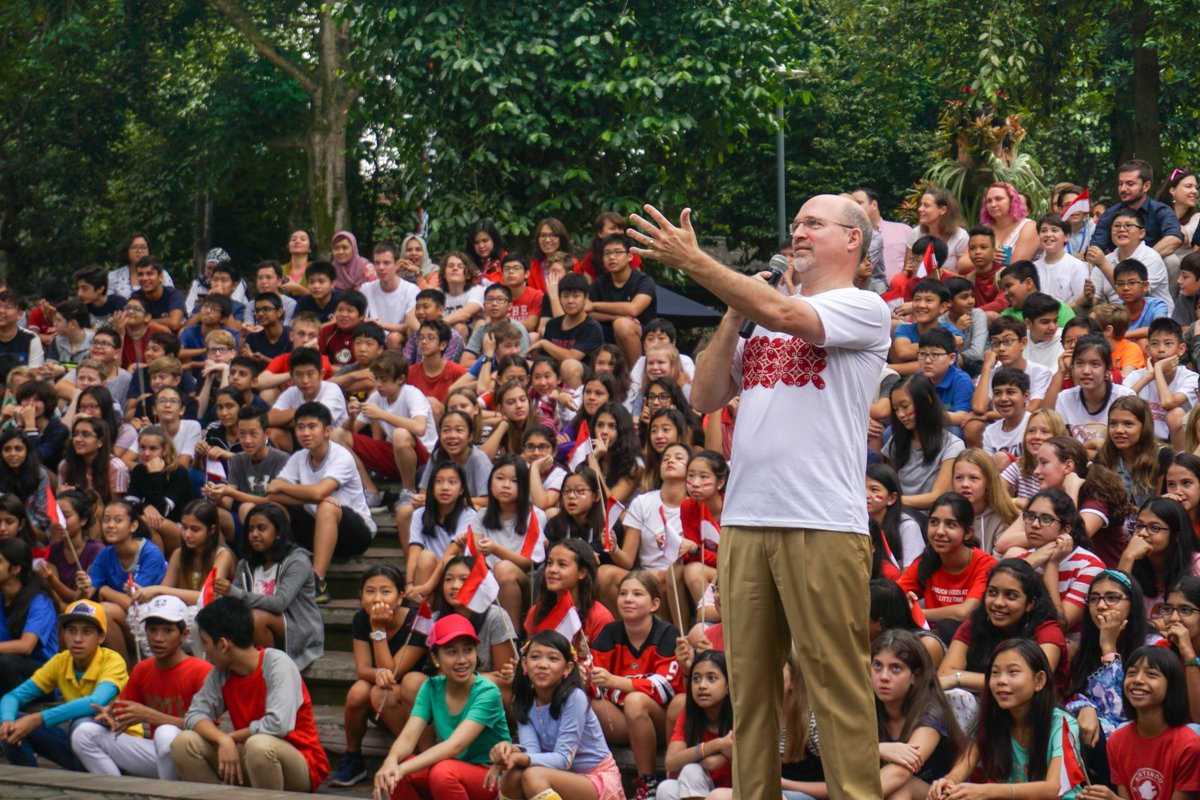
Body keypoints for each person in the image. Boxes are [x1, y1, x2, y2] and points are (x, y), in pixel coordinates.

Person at [629, 195, 888, 800]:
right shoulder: (761, 315)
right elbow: (704, 396)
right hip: (746, 520)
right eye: (795, 223)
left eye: (814, 223)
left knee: (837, 689)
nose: (799, 232)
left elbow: (784, 311)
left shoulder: (863, 306)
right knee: (749, 693)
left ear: (853, 239)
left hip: (823, 522)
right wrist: (731, 313)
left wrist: (695, 262)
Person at [171, 595, 329, 791]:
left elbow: (277, 725)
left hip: (299, 762)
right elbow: (195, 714)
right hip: (249, 754)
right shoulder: (222, 672)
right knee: (184, 743)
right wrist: (223, 740)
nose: (204, 650)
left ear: (223, 644)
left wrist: (231, 738)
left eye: (205, 643)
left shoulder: (277, 663)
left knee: (258, 746)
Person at [70, 595, 211, 781]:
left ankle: (167, 793)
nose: (158, 638)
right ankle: (116, 791)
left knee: (165, 733)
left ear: (184, 635)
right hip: (159, 755)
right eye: (152, 630)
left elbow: (209, 729)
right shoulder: (142, 669)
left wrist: (150, 716)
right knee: (83, 733)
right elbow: (125, 711)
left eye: (168, 631)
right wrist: (111, 716)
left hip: (192, 757)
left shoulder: (201, 670)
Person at [373, 614, 512, 800]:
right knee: (401, 771)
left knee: (441, 772)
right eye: (452, 652)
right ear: (435, 658)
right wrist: (391, 761)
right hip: (452, 770)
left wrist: (401, 769)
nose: (462, 660)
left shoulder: (488, 691)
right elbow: (408, 737)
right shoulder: (431, 687)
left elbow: (455, 745)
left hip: (492, 776)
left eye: (468, 650)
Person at [928, 639, 1085, 799]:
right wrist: (948, 782)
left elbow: (1054, 788)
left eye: (1013, 672)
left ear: (1039, 680)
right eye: (995, 673)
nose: (1001, 681)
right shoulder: (991, 721)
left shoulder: (1062, 724)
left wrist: (987, 791)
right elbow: (960, 769)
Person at [486, 629, 622, 800]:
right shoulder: (525, 700)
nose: (542, 664)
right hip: (556, 774)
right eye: (535, 657)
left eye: (552, 658)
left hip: (595, 777)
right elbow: (532, 751)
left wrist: (519, 757)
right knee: (512, 776)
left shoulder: (575, 698)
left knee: (533, 776)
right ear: (525, 664)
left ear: (567, 668)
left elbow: (564, 759)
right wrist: (511, 751)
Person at [328, 565, 428, 788]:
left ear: (400, 597)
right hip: (381, 697)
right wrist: (378, 673)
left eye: (385, 591)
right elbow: (363, 668)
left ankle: (414, 753)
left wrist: (378, 628)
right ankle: (353, 758)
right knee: (358, 692)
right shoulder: (361, 618)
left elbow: (394, 672)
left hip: (412, 701)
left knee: (386, 690)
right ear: (360, 596)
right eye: (370, 591)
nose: (377, 599)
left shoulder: (418, 621)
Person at [0, 599, 130, 770]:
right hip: (81, 744)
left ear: (101, 637)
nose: (77, 639)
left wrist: (37, 719)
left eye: (87, 632)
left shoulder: (113, 660)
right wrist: (7, 720)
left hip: (120, 747)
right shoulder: (61, 661)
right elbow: (13, 696)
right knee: (11, 726)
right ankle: (29, 780)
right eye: (71, 631)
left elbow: (95, 702)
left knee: (83, 723)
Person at [589, 570, 685, 800]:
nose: (628, 599)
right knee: (584, 700)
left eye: (637, 594)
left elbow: (664, 688)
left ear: (654, 604)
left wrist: (615, 682)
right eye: (623, 594)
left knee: (635, 701)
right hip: (622, 720)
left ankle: (647, 783)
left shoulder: (667, 633)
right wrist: (588, 676)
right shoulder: (610, 632)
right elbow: (595, 680)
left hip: (660, 721)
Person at [1082, 646, 1200, 800]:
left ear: (1172, 685)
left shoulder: (1189, 746)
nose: (1137, 680)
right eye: (1131, 673)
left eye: (1151, 674)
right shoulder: (1117, 741)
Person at [0, 539, 57, 694]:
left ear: (15, 569)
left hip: (42, 677)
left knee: (7, 662)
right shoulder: (2, 598)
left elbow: (26, 646)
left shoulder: (40, 601)